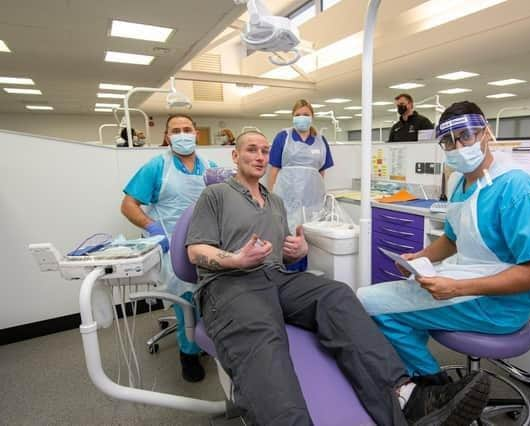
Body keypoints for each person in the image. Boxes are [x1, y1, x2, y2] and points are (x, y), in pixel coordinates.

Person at [186, 130, 491, 426]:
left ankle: (406, 398)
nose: (260, 156)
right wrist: (235, 259)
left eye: (265, 151)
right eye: (252, 149)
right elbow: (195, 251)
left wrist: (298, 249)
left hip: (276, 277)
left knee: (337, 295)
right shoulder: (216, 195)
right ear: (235, 155)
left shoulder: (275, 202)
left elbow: (279, 253)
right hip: (231, 282)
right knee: (261, 331)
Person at [358, 101, 530, 382]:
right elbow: (452, 239)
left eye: (466, 135)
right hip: (467, 280)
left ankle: (432, 386)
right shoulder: (458, 183)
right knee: (391, 304)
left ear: (485, 133)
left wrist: (457, 288)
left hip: (499, 303)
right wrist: (421, 257)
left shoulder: (518, 188)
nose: (459, 147)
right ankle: (414, 376)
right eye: (449, 142)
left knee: (368, 302)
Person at [121, 114, 218, 382]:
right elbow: (128, 205)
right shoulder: (156, 166)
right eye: (176, 130)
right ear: (167, 136)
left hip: (207, 240)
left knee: (214, 291)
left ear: (196, 133)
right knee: (186, 296)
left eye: (187, 129)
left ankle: (208, 338)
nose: (182, 134)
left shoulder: (210, 166)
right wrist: (154, 228)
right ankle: (188, 354)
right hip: (172, 243)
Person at [267, 99, 335, 271]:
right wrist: (269, 195)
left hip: (312, 199)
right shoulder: (284, 137)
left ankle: (309, 274)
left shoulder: (320, 141)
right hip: (286, 197)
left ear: (312, 117)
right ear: (292, 117)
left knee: (311, 236)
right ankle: (289, 274)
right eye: (297, 115)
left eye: (305, 114)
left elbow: (321, 171)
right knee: (290, 237)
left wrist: (320, 196)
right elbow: (274, 168)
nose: (301, 118)